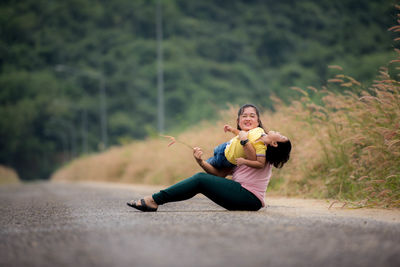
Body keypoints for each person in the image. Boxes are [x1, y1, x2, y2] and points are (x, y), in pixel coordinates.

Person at [127, 104, 292, 212]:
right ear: (238, 121)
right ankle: (154, 200)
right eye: (244, 116)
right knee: (202, 180)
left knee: (200, 180)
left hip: (249, 197)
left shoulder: (260, 145)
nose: (247, 118)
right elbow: (219, 175)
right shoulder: (237, 147)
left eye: (252, 116)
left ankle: (154, 200)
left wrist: (244, 140)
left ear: (258, 121)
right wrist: (201, 162)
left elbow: (253, 156)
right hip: (241, 195)